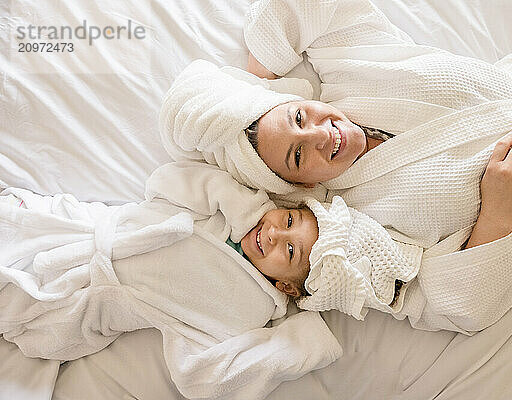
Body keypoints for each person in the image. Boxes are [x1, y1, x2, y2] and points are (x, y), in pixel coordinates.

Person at [159, 0, 512, 321]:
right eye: (296, 155)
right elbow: (459, 307)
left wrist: (253, 89)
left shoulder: (355, 68)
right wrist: (499, 215)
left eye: (298, 116)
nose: (319, 133)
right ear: (299, 186)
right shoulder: (358, 225)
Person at [0, 161, 342, 400]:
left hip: (87, 300)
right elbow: (165, 182)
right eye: (288, 219)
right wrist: (245, 209)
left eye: (290, 251)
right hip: (83, 231)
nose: (272, 234)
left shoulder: (245, 313)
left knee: (16, 302)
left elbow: (203, 377)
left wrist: (302, 343)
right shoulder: (226, 213)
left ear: (285, 286)